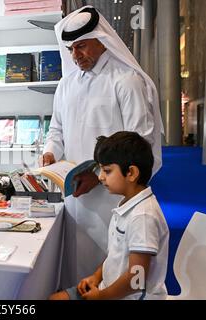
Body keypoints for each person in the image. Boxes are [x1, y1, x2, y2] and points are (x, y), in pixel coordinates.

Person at [41, 6, 164, 289]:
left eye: (81, 46)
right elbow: (56, 130)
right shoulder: (67, 84)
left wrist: (98, 176)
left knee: (114, 269)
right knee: (78, 269)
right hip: (75, 194)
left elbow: (139, 143)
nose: (75, 56)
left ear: (101, 39)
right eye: (71, 49)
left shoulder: (126, 80)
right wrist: (50, 152)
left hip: (113, 196)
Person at [50, 131, 169, 300]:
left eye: (107, 170)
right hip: (108, 289)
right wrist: (96, 277)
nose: (100, 177)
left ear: (131, 173)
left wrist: (101, 296)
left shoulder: (142, 216)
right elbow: (115, 256)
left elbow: (136, 280)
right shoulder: (127, 204)